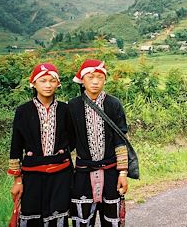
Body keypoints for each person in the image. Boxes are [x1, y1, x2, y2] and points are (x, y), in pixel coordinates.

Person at [8, 63, 73, 226]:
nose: (48, 85)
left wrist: (59, 154)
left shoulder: (65, 110)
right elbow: (16, 145)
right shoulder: (23, 111)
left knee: (58, 215)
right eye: (43, 80)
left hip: (60, 173)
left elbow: (72, 139)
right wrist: (17, 180)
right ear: (33, 83)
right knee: (31, 215)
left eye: (52, 81)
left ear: (58, 84)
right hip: (32, 175)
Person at [69, 59, 129, 226]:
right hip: (82, 173)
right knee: (82, 220)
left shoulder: (113, 104)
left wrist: (123, 173)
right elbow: (68, 142)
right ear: (82, 80)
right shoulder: (72, 106)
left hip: (111, 172)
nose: (95, 81)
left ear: (105, 79)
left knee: (111, 220)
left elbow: (120, 140)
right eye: (90, 77)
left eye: (99, 77)